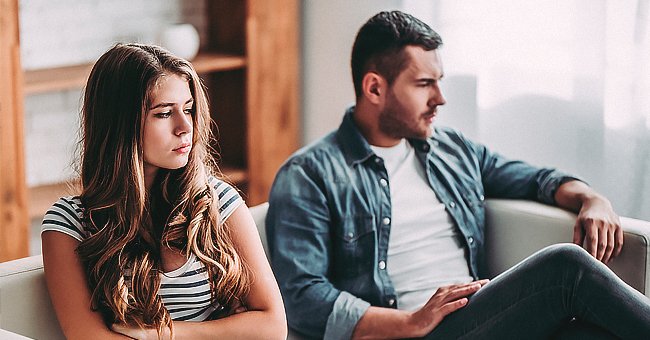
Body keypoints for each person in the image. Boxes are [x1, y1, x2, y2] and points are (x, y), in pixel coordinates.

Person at [266, 10, 650, 339]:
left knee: (589, 331)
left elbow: (535, 180)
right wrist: (411, 322)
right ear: (374, 88)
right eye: (423, 84)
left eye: (440, 81)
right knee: (567, 268)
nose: (440, 98)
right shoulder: (309, 175)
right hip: (410, 331)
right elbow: (302, 296)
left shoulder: (451, 149)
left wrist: (590, 198)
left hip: (476, 319)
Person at [41, 43, 287, 340]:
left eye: (188, 109)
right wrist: (226, 330)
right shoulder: (69, 224)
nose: (185, 127)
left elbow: (273, 327)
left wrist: (158, 334)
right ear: (120, 124)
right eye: (163, 113)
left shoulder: (219, 201)